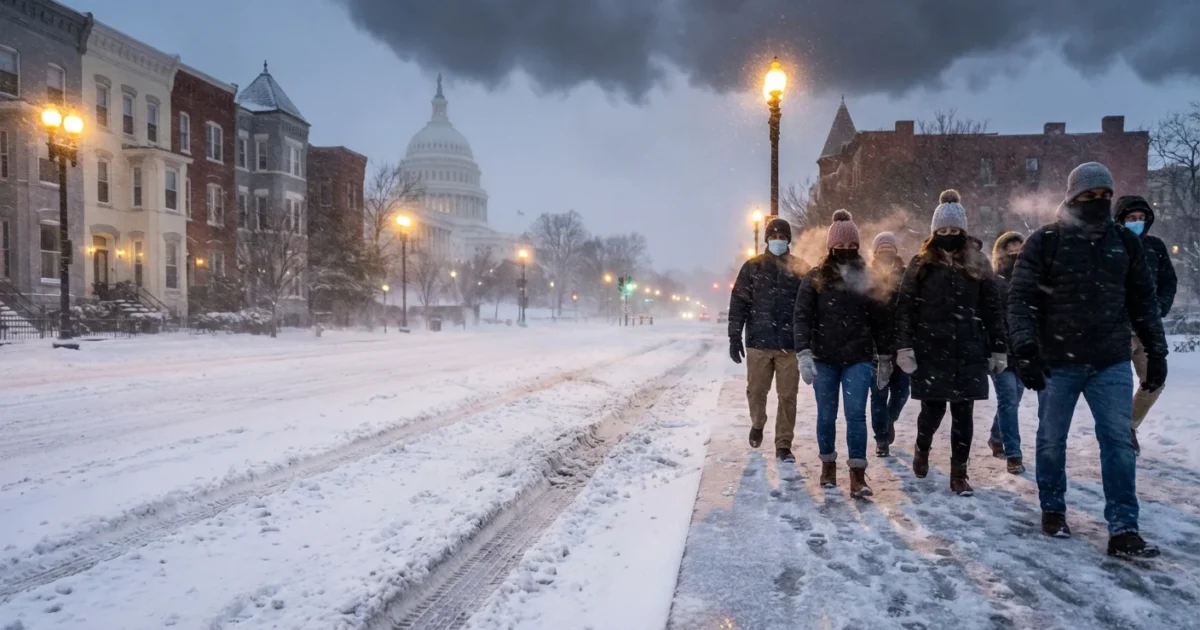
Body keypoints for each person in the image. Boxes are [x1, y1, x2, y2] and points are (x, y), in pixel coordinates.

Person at [1007, 162, 1167, 558]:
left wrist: (1156, 351)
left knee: (1118, 443)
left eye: (1104, 196)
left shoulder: (1125, 244)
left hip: (1109, 360)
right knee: (1051, 440)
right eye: (1088, 196)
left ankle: (1124, 528)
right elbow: (1021, 298)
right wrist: (1025, 348)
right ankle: (1053, 507)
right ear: (1072, 197)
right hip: (1058, 360)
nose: (1097, 202)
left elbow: (1144, 301)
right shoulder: (1046, 241)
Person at [895, 190, 1007, 496]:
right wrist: (904, 346)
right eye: (942, 231)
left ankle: (959, 473)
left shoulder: (978, 263)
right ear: (934, 232)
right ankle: (922, 446)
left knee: (963, 414)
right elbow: (905, 307)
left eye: (954, 231)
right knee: (931, 411)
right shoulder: (920, 264)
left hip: (968, 348)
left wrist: (998, 346)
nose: (948, 236)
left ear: (963, 231)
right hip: (930, 348)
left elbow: (992, 308)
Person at [794, 210, 890, 497]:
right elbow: (802, 316)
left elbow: (881, 320)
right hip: (824, 359)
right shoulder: (814, 278)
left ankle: (858, 475)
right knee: (826, 415)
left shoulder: (869, 278)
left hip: (858, 359)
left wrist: (884, 356)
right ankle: (828, 467)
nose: (846, 251)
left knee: (856, 415)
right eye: (841, 246)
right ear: (830, 246)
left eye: (852, 246)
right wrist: (803, 353)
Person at [729, 217, 805, 462]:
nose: (777, 241)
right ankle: (758, 423)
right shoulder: (753, 267)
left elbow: (809, 307)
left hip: (789, 346)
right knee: (756, 391)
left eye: (781, 237)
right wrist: (734, 336)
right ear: (766, 240)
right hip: (758, 343)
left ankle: (783, 444)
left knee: (787, 397)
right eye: (773, 237)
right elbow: (739, 303)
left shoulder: (800, 268)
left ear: (788, 239)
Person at [1114, 195, 1178, 455]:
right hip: (1118, 328)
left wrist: (1159, 308)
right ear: (1120, 220)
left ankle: (1127, 426)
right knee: (1117, 385)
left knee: (1154, 381)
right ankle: (1116, 433)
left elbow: (1168, 282)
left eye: (1141, 218)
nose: (1137, 223)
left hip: (1147, 329)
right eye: (1131, 219)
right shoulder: (1111, 245)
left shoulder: (1155, 246)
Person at [987, 232, 1027, 474]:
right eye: (1009, 250)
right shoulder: (992, 282)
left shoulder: (1030, 281)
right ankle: (1014, 453)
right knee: (1008, 400)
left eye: (1019, 249)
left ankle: (995, 435)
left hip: (1023, 351)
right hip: (999, 351)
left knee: (1015, 397)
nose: (1014, 254)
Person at [868, 231, 910, 457]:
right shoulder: (867, 276)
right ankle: (881, 438)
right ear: (875, 252)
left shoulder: (905, 275)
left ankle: (889, 419)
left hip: (900, 346)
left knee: (902, 392)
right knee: (878, 394)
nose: (886, 253)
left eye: (889, 249)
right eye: (881, 249)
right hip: (876, 348)